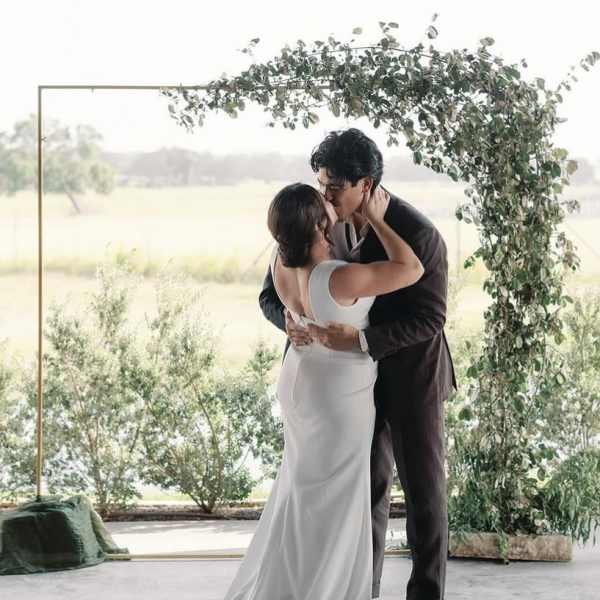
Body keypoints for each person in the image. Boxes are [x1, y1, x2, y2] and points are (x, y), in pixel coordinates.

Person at [259, 128, 457, 600]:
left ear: (365, 185)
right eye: (321, 184)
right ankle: (358, 589)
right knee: (364, 491)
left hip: (410, 377)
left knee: (424, 493)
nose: (324, 196)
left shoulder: (418, 233)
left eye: (334, 187)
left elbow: (431, 317)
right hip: (344, 391)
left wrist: (364, 340)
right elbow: (270, 295)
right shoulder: (317, 221)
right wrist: (289, 321)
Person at [223, 182, 424, 600]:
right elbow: (411, 269)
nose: (330, 202)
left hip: (299, 381)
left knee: (302, 493)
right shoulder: (338, 278)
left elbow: (277, 301)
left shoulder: (280, 262)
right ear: (318, 223)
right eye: (323, 203)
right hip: (338, 396)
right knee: (334, 502)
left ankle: (290, 583)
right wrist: (378, 220)